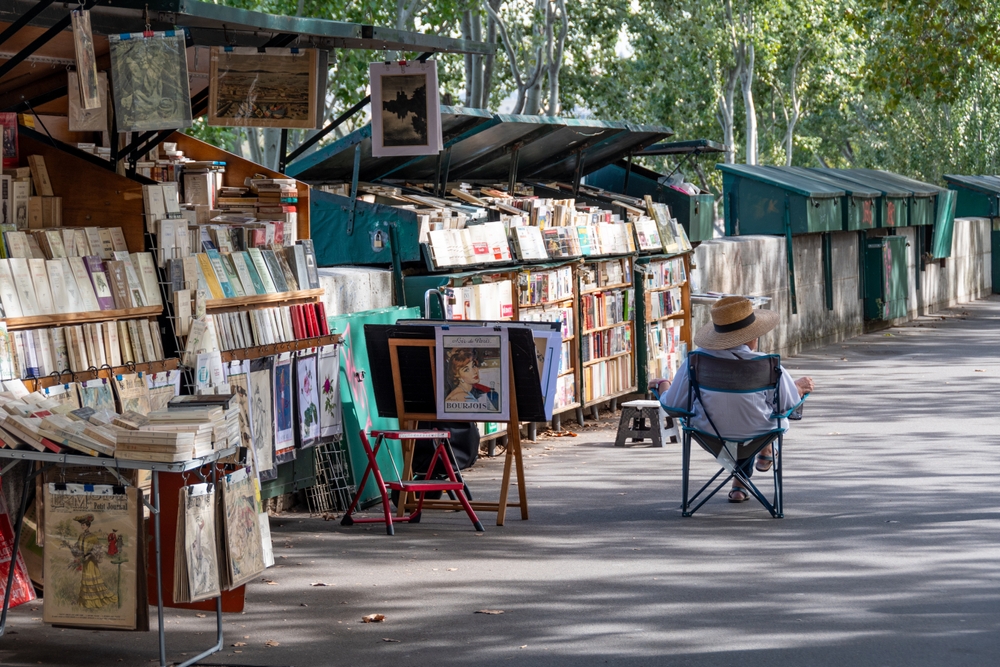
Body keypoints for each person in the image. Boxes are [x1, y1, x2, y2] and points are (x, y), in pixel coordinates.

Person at [649, 296, 814, 503]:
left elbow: (674, 406)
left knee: (737, 417)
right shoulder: (766, 365)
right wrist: (798, 388)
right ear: (750, 337)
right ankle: (765, 451)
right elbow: (787, 404)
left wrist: (664, 384)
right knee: (755, 421)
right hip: (759, 433)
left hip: (709, 434)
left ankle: (740, 482)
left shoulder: (696, 361)